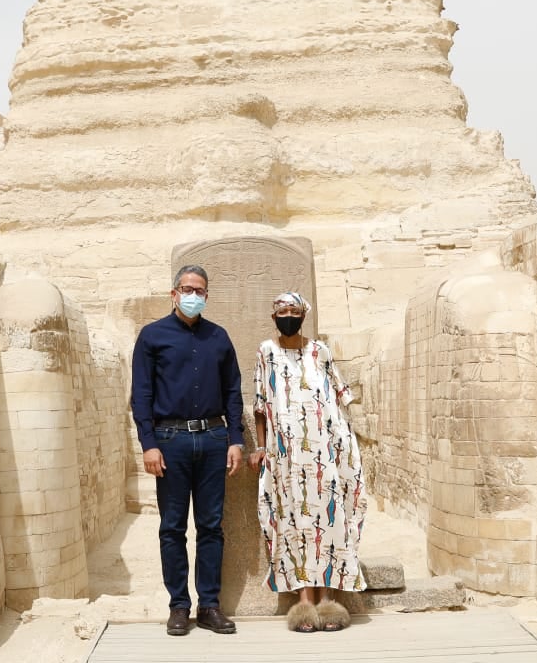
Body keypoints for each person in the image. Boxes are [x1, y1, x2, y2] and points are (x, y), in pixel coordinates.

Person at [130, 264, 245, 636]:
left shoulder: (219, 337)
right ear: (174, 293)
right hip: (170, 441)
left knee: (211, 526)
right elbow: (142, 394)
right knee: (172, 527)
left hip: (213, 440)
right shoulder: (152, 336)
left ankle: (209, 605)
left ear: (207, 296)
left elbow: (232, 391)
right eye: (186, 288)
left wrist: (236, 440)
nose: (192, 295)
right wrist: (148, 444)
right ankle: (178, 606)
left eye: (199, 290)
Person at [249, 291, 366, 633]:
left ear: (304, 314)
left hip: (327, 452)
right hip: (286, 457)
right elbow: (260, 404)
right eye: (282, 310)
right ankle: (303, 603)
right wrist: (262, 447)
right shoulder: (266, 352)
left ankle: (328, 600)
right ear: (274, 317)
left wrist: (349, 444)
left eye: (294, 310)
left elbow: (340, 396)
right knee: (294, 524)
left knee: (329, 522)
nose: (288, 315)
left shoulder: (320, 351)